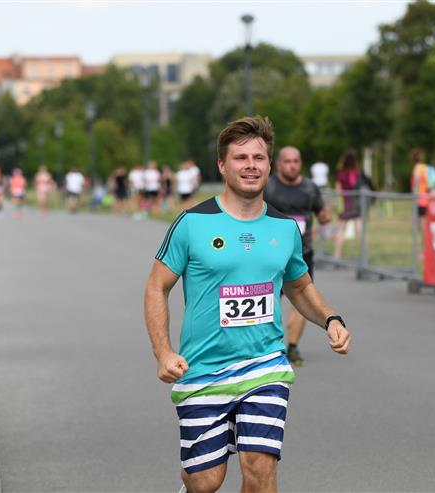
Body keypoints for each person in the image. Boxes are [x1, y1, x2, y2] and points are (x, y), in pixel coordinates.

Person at [144, 116, 351, 493]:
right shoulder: (192, 223)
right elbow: (157, 287)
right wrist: (163, 351)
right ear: (222, 165)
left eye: (259, 157)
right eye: (240, 158)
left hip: (265, 366)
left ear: (269, 165)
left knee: (259, 469)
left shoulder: (285, 228)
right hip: (203, 368)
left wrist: (331, 319)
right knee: (205, 482)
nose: (251, 165)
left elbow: (300, 286)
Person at [264, 146, 332, 366]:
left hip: (302, 253)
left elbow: (321, 214)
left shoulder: (310, 188)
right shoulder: (268, 187)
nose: (292, 165)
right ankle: (265, 346)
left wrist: (325, 216)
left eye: (296, 161)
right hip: (270, 255)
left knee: (301, 299)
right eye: (287, 161)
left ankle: (292, 346)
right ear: (278, 164)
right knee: (268, 300)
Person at [333, 149, 362, 259]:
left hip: (345, 203)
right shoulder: (357, 173)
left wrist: (339, 204)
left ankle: (337, 255)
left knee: (341, 230)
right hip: (356, 202)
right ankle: (363, 255)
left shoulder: (341, 173)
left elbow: (338, 190)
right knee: (359, 229)